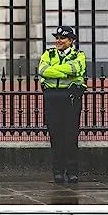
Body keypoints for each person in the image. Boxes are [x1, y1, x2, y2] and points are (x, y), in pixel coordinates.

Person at [38, 26, 86, 184]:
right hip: (52, 97)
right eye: (57, 37)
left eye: (62, 38)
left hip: (70, 97)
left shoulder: (79, 55)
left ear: (71, 41)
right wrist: (65, 72)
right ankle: (57, 172)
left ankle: (72, 171)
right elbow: (43, 70)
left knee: (71, 136)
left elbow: (76, 68)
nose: (58, 41)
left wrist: (55, 70)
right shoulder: (48, 54)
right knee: (55, 136)